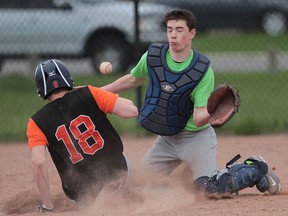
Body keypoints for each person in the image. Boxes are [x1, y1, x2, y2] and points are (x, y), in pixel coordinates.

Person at [101, 9, 281, 197]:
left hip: (196, 139)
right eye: (170, 29)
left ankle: (255, 169)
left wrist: (211, 113)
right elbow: (132, 79)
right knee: (136, 186)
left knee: (209, 188)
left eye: (179, 29)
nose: (173, 35)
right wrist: (96, 92)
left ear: (192, 33)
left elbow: (198, 118)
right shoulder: (153, 57)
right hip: (167, 140)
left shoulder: (202, 71)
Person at [26, 59, 138, 212]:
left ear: (41, 90)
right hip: (117, 175)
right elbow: (132, 111)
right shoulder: (89, 93)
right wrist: (95, 94)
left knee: (80, 193)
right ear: (68, 79)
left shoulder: (36, 122)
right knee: (128, 165)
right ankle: (124, 195)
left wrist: (48, 206)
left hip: (80, 196)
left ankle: (100, 202)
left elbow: (38, 163)